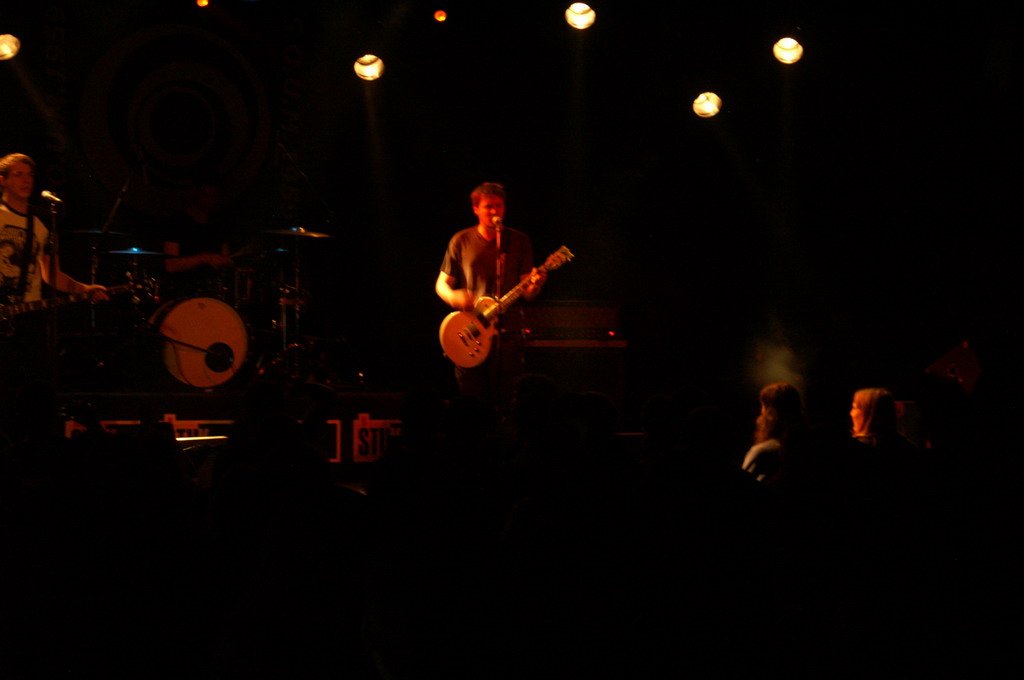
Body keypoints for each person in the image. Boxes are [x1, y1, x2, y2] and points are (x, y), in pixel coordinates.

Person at [0, 152, 108, 403]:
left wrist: (84, 289)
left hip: (28, 316)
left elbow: (51, 274)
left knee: (33, 386)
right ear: (3, 180)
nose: (26, 180)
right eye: (18, 175)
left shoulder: (42, 221)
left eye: (29, 175)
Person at [435, 182, 547, 413]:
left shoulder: (519, 241)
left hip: (508, 333)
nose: (495, 211)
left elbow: (528, 293)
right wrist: (455, 297)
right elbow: (441, 285)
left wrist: (536, 285)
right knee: (472, 402)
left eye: (499, 206)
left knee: (508, 399)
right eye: (488, 206)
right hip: (472, 330)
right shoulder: (461, 240)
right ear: (476, 209)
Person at [161, 175, 236, 302]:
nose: (209, 200)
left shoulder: (219, 224)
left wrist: (226, 262)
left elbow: (226, 258)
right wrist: (203, 258)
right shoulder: (177, 222)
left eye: (213, 196)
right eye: (206, 195)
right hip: (182, 293)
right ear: (195, 195)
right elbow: (170, 265)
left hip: (213, 294)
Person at [740, 381, 809, 484]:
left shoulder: (762, 452)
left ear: (770, 413)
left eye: (763, 406)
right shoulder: (808, 451)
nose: (761, 412)